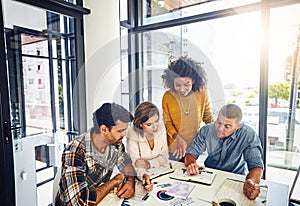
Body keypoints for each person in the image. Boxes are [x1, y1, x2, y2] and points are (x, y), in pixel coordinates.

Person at [55, 103, 137, 205]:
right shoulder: (75, 151)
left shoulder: (115, 144)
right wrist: (114, 181)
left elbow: (126, 164)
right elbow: (79, 202)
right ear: (103, 129)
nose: (124, 134)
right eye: (120, 131)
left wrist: (130, 181)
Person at [184, 104, 264, 200]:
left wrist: (251, 183)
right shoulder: (206, 130)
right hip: (210, 177)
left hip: (235, 178)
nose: (220, 128)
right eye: (219, 122)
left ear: (238, 126)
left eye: (227, 126)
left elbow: (256, 166)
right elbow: (191, 153)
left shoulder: (247, 134)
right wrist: (192, 164)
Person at [161, 56, 214, 162]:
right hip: (174, 148)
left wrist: (216, 136)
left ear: (193, 80)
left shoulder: (202, 92)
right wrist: (177, 138)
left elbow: (208, 117)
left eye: (187, 84)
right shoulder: (167, 97)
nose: (182, 89)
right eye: (178, 85)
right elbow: (167, 123)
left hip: (194, 148)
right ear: (172, 81)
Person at [126, 102, 168, 190]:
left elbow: (164, 156)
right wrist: (144, 175)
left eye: (156, 121)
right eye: (149, 124)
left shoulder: (161, 127)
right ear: (140, 124)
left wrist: (149, 163)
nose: (155, 127)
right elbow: (135, 163)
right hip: (143, 176)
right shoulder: (132, 133)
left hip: (163, 173)